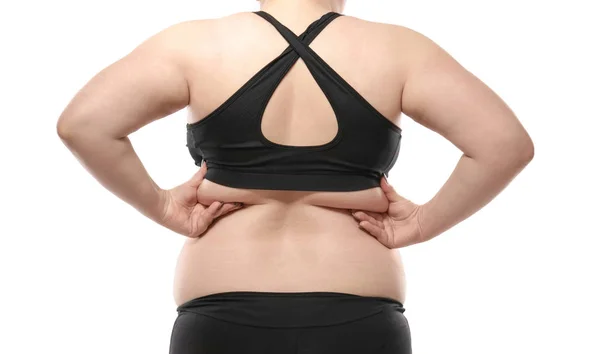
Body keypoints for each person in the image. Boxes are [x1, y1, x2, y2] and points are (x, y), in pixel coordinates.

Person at [56, 0, 534, 353]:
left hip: (219, 315)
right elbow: (504, 146)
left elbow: (84, 125)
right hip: (360, 317)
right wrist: (422, 223)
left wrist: (162, 205)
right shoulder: (397, 49)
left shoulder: (195, 44)